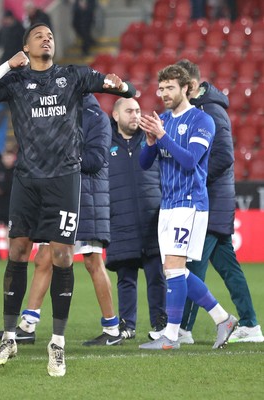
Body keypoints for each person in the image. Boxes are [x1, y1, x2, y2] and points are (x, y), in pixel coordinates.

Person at [0, 22, 135, 376]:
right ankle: (10, 336)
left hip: (63, 179)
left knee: (61, 255)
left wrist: (122, 85)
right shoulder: (15, 81)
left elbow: (124, 89)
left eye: (51, 35)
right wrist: (5, 67)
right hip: (27, 180)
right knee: (17, 251)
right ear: (25, 47)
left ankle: (56, 344)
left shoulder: (72, 76)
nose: (47, 38)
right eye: (39, 35)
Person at [0, 93, 123, 346]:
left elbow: (96, 160)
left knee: (93, 261)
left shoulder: (97, 118)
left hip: (87, 197)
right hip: (61, 195)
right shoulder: (62, 112)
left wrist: (59, 157)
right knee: (43, 258)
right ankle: (28, 325)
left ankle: (112, 328)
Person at [138, 64, 237, 350]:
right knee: (175, 270)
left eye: (170, 87)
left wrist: (163, 136)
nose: (164, 93)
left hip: (190, 203)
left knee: (174, 267)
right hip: (168, 203)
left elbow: (190, 160)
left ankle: (171, 336)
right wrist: (149, 142)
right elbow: (145, 163)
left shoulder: (202, 121)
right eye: (161, 88)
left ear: (186, 89)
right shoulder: (164, 121)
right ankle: (222, 319)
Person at [174, 59, 264, 344]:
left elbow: (224, 156)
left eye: (177, 87)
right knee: (228, 267)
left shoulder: (210, 111)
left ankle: (183, 329)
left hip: (211, 202)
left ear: (190, 86)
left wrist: (194, 178)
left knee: (191, 266)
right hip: (213, 201)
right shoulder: (201, 109)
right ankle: (250, 325)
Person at [105, 97, 167, 341]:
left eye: (138, 110)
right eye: (129, 111)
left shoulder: (152, 140)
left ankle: (160, 324)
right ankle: (126, 325)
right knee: (126, 277)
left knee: (156, 276)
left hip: (152, 218)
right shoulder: (103, 144)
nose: (135, 114)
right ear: (116, 115)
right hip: (120, 219)